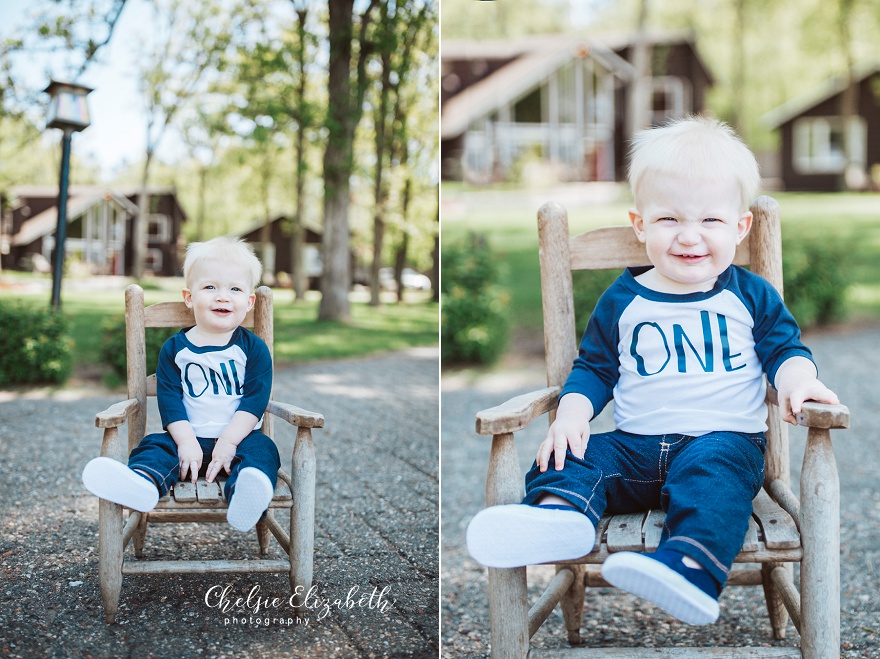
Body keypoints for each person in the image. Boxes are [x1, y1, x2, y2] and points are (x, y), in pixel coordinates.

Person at [465, 116, 839, 625]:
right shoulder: (622, 300)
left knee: (713, 482)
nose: (689, 237)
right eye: (668, 220)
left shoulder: (749, 295)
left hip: (722, 441)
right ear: (640, 224)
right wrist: (572, 414)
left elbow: (784, 349)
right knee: (575, 455)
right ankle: (558, 518)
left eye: (710, 220)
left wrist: (798, 382)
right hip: (635, 448)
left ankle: (688, 570)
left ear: (740, 226)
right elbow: (594, 368)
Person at [82, 237, 279, 533]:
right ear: (189, 297)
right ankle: (143, 484)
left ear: (249, 302)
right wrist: (186, 442)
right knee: (153, 446)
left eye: (235, 289)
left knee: (264, 450)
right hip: (187, 439)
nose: (222, 297)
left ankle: (246, 496)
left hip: (240, 439)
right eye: (210, 287)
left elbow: (254, 400)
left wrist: (228, 442)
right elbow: (170, 400)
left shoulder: (254, 349)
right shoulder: (175, 349)